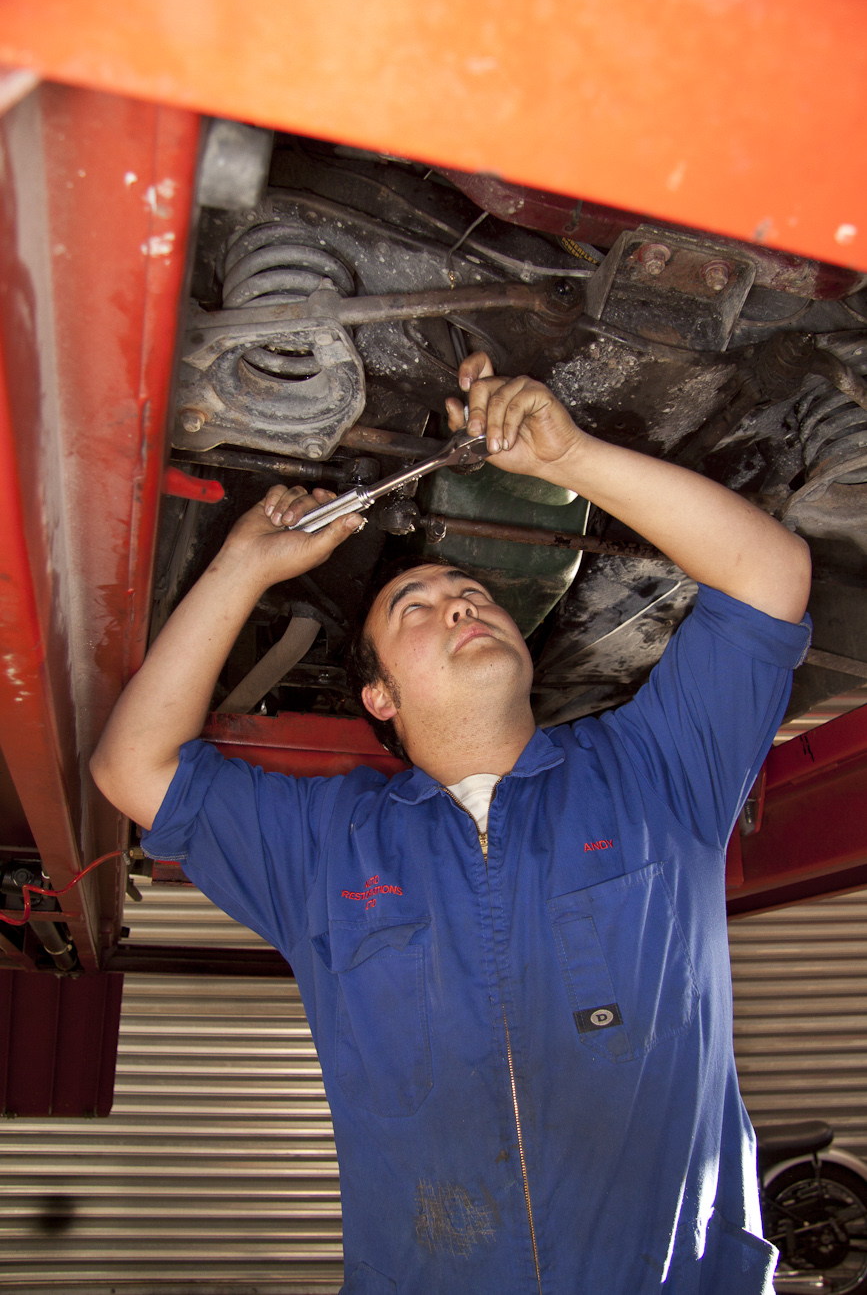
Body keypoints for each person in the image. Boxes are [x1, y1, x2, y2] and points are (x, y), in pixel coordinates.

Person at [91, 354, 812, 1295]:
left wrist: (572, 459)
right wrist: (244, 564)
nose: (459, 601)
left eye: (469, 593)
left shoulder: (651, 773)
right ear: (377, 696)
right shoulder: (326, 849)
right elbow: (130, 768)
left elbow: (768, 574)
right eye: (414, 606)